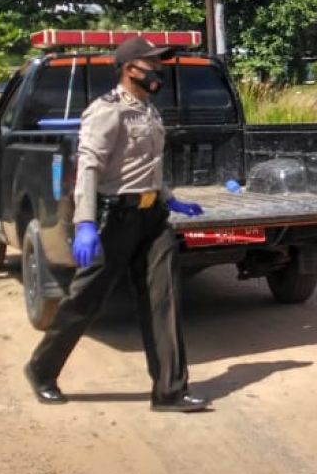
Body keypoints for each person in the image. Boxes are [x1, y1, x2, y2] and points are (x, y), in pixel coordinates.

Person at [24, 36, 210, 411]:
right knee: (84, 301)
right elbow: (89, 167)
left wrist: (170, 197)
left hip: (152, 217)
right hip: (114, 219)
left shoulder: (149, 110)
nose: (159, 70)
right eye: (153, 64)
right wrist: (87, 223)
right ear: (130, 68)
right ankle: (41, 369)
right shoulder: (106, 110)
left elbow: (147, 164)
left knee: (164, 299)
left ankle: (170, 391)